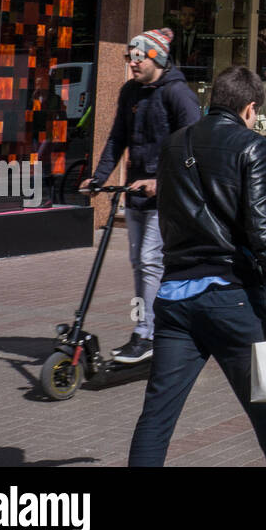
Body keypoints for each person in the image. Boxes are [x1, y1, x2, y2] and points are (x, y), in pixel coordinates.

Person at [128, 67, 266, 467]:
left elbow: (168, 216)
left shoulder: (173, 145)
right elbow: (263, 227)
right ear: (249, 107)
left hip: (174, 300)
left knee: (156, 417)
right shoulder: (251, 145)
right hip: (232, 298)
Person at [81, 29, 200, 364]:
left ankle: (147, 336)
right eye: (129, 57)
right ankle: (154, 331)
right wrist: (99, 178)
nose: (131, 64)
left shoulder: (178, 95)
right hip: (134, 194)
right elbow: (118, 138)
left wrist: (161, 182)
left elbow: (194, 149)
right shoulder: (130, 92)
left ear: (156, 58)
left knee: (150, 262)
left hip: (168, 198)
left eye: (138, 57)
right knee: (141, 264)